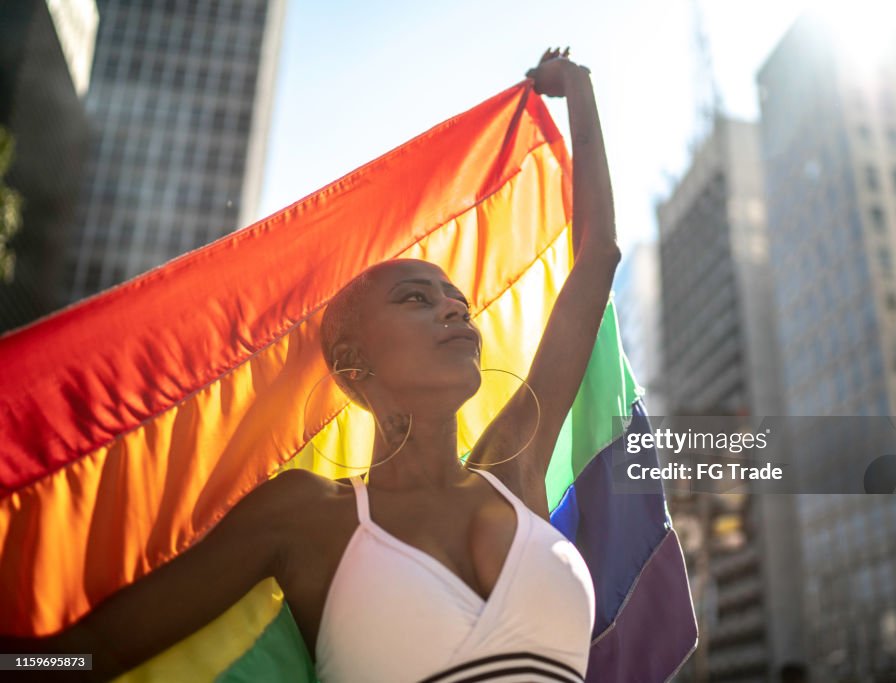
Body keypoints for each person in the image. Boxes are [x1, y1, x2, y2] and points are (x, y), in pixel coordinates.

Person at [2, 47, 619, 682]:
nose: (455, 313)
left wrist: (577, 85)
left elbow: (597, 255)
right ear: (353, 364)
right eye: (417, 298)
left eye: (459, 303)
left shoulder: (514, 471)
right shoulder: (307, 514)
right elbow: (97, 650)